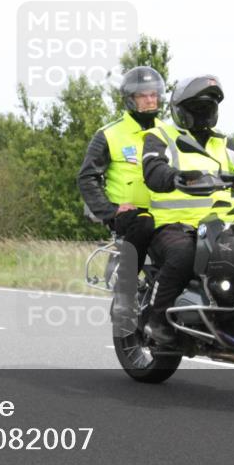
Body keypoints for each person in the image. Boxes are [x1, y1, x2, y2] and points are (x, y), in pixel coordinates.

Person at [140, 75, 234, 344]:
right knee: (183, 253)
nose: (202, 114)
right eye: (196, 108)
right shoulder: (160, 136)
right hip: (174, 226)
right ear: (180, 110)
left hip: (220, 226)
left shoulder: (222, 142)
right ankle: (157, 319)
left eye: (207, 108)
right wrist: (174, 177)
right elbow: (153, 169)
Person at [78, 67, 177, 302]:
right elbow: (87, 177)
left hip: (168, 214)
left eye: (153, 94)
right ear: (130, 99)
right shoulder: (109, 134)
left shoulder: (171, 133)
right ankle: (126, 286)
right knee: (143, 223)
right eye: (143, 95)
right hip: (132, 218)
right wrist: (110, 211)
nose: (150, 100)